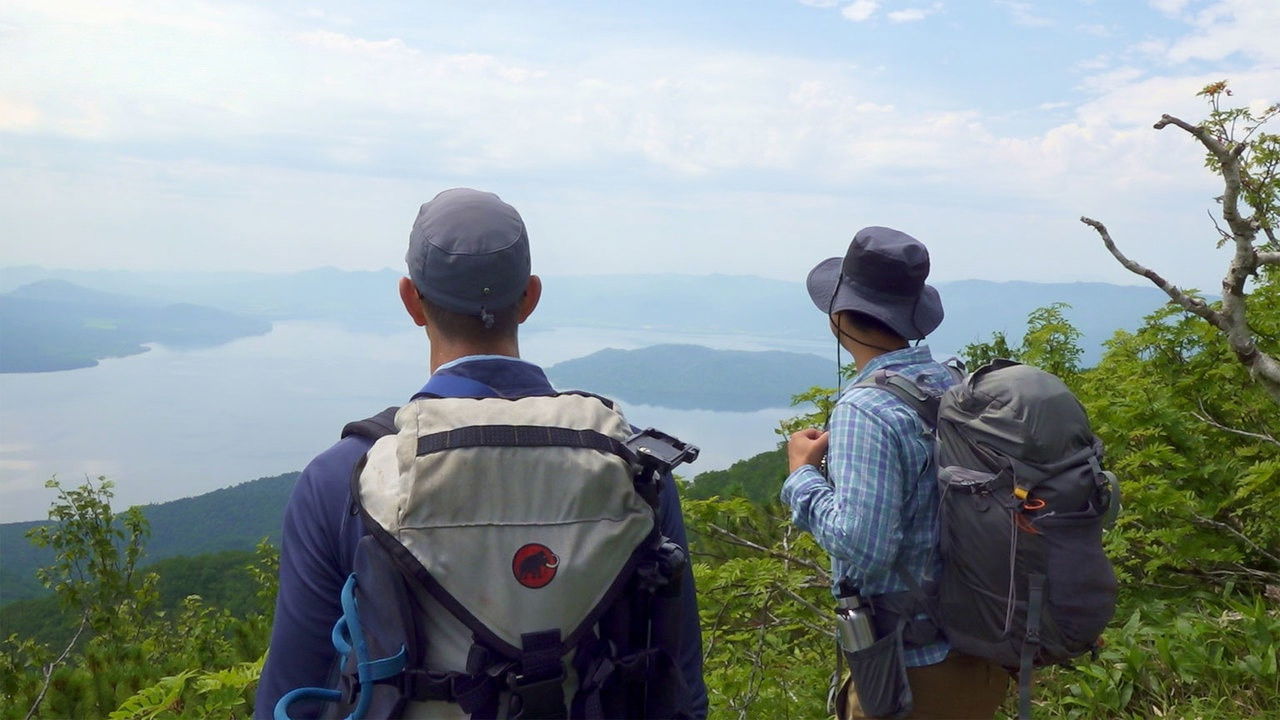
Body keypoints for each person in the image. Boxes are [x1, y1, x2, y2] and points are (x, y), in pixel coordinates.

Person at [256, 188, 707, 719]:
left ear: (410, 300)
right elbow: (681, 686)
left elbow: (293, 692)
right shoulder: (633, 469)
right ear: (531, 296)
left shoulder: (344, 478)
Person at [780, 227, 1009, 719]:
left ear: (838, 316)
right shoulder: (954, 382)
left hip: (915, 671)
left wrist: (802, 475)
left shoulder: (867, 408)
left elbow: (865, 544)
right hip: (979, 649)